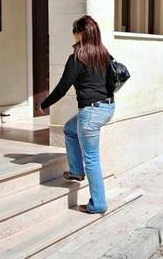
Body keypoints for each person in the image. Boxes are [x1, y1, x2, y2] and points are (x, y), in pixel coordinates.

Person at [35, 15, 116, 214]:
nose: (73, 35)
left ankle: (98, 204)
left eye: (74, 32)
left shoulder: (78, 57)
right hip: (107, 108)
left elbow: (62, 87)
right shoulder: (104, 54)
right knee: (70, 129)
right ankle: (76, 171)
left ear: (80, 34)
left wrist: (44, 104)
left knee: (92, 158)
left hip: (91, 112)